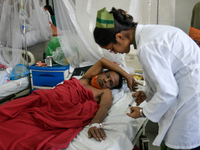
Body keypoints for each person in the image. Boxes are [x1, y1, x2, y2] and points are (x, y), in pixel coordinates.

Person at [93, 7, 200, 150]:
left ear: (119, 36)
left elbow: (168, 91)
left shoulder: (147, 46)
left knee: (179, 145)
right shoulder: (150, 34)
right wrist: (148, 93)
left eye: (111, 48)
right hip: (188, 92)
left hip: (190, 102)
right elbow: (165, 78)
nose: (113, 52)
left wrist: (144, 112)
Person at [0, 57, 137, 149]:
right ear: (100, 73)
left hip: (58, 112)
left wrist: (95, 123)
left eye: (110, 83)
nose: (106, 81)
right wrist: (127, 75)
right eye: (107, 76)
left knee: (18, 133)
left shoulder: (103, 92)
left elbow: (104, 108)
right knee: (13, 113)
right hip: (46, 99)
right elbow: (102, 61)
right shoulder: (85, 79)